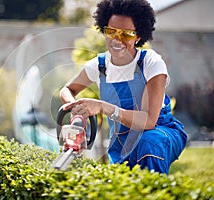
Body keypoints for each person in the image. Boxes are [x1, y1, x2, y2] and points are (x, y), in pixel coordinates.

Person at [59, 0, 187, 174]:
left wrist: (103, 107)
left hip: (159, 132)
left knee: (149, 142)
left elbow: (148, 121)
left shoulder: (150, 63)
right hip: (122, 139)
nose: (117, 39)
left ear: (138, 36)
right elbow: (67, 90)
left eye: (126, 34)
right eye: (111, 31)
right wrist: (75, 108)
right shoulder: (99, 66)